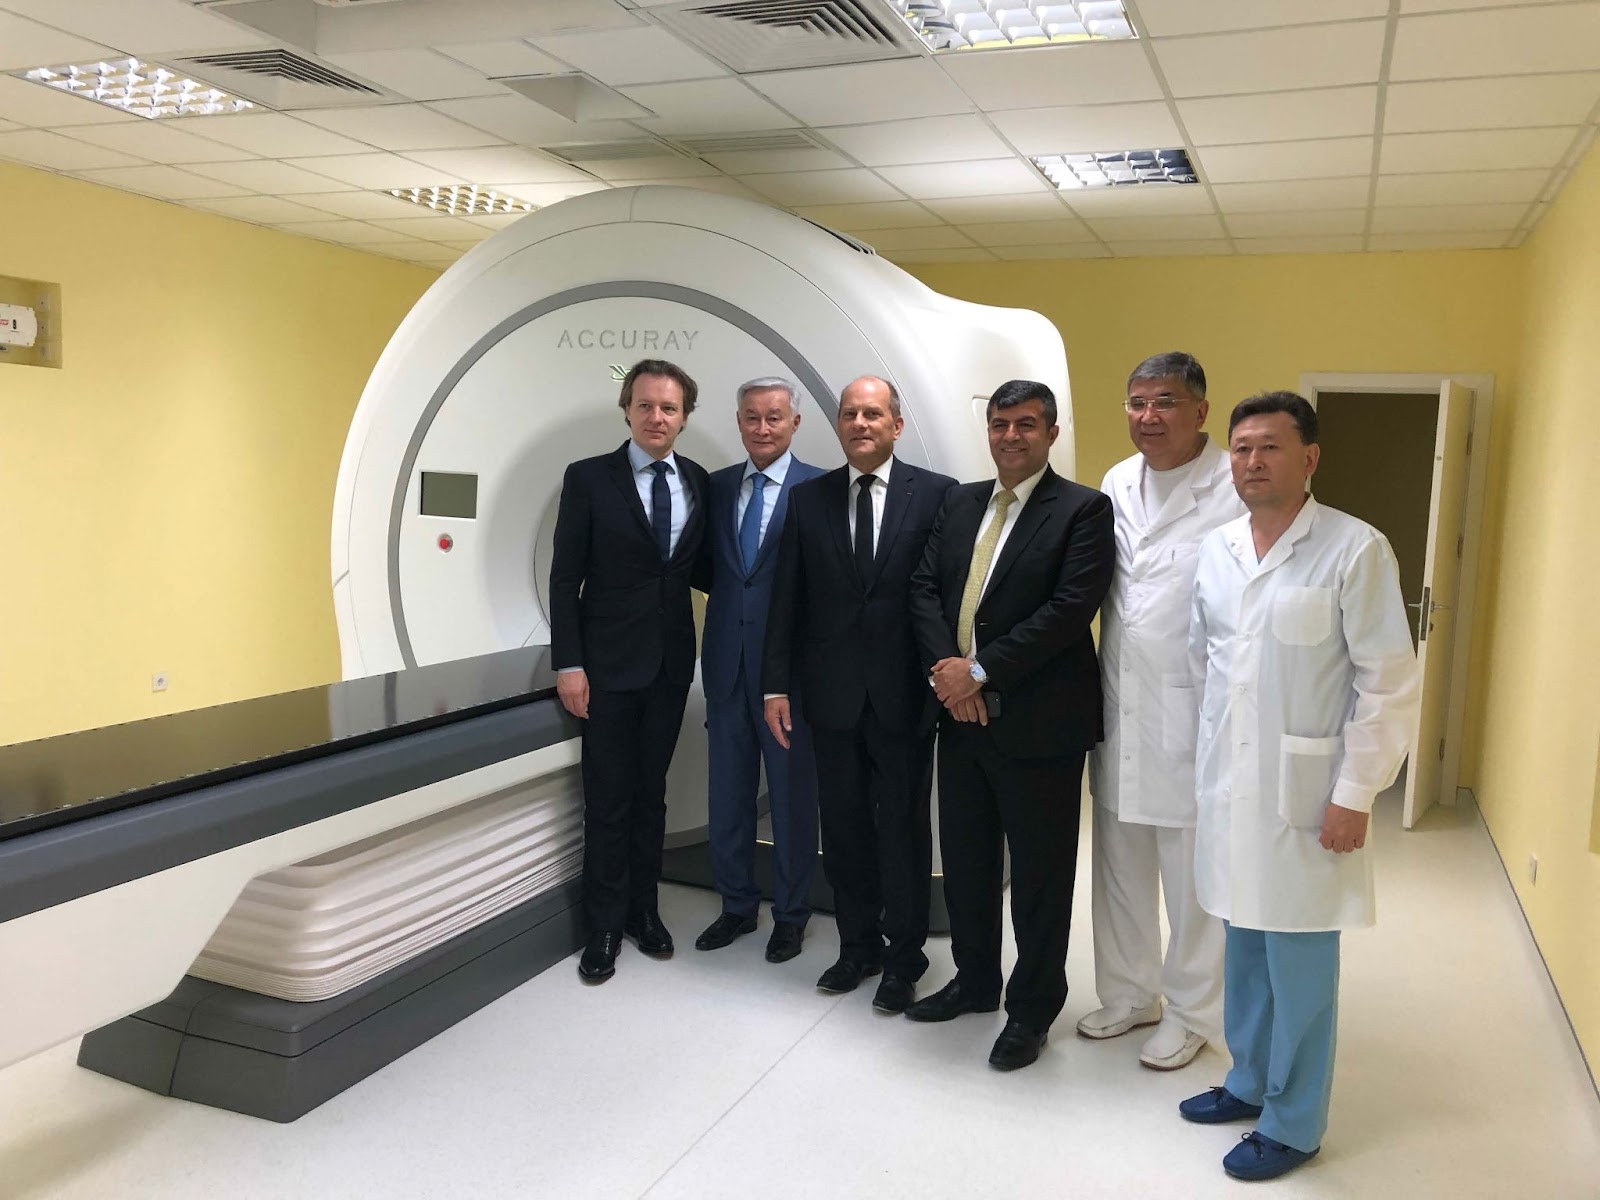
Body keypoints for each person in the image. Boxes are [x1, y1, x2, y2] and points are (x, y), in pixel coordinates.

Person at [1179, 391, 1419, 1182]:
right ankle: (1248, 1080)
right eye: (1242, 448)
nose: (1252, 461)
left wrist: (1356, 792)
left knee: (1301, 965)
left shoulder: (1354, 549)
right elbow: (1205, 664)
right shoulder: (1217, 549)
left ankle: (1294, 1122)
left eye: (1270, 447)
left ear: (1309, 458)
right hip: (1231, 789)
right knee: (1245, 946)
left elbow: (1387, 684)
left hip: (1310, 796)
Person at [904, 379, 1114, 1071]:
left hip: (1039, 727)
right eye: (999, 423)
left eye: (1026, 424)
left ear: (1051, 433)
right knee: (966, 863)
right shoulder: (961, 502)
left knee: (1039, 877)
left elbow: (1069, 609)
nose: (1010, 436)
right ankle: (974, 982)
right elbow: (924, 588)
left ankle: (1031, 1009)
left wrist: (981, 670)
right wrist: (949, 674)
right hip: (960, 717)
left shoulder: (1083, 510)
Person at [762, 375, 955, 1012]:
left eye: (873, 413)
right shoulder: (808, 499)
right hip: (832, 696)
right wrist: (775, 686)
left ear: (895, 425)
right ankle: (857, 947)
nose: (860, 423)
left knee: (902, 830)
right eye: (850, 414)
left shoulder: (936, 495)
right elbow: (786, 599)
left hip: (905, 696)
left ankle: (905, 958)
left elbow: (943, 597)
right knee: (843, 829)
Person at [1079, 352, 1244, 1071]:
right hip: (1121, 704)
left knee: (1192, 878)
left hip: (1195, 710)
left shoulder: (1234, 486)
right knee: (1119, 863)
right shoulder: (1117, 481)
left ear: (1201, 411)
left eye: (1166, 402)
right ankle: (1128, 993)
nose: (1149, 416)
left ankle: (1192, 1012)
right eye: (1137, 402)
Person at [549, 358, 712, 984]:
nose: (656, 417)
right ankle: (604, 927)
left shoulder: (697, 481)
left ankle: (645, 910)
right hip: (608, 668)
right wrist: (570, 663)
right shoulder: (589, 478)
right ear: (626, 410)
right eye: (645, 405)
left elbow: (703, 571)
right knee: (609, 800)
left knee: (652, 795)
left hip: (670, 666)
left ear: (684, 417)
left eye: (669, 408)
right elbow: (565, 579)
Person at [696, 377, 825, 962]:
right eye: (752, 417)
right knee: (727, 794)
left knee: (793, 799)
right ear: (739, 422)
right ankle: (736, 906)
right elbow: (708, 569)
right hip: (726, 664)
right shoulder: (718, 487)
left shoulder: (819, 489)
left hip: (789, 678)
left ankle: (791, 915)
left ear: (795, 422)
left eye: (775, 417)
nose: (763, 428)